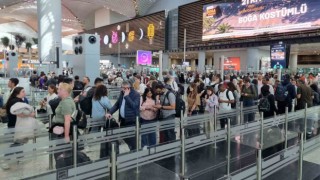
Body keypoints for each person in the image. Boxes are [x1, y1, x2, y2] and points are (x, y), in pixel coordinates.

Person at [106, 81, 140, 150]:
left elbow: (134, 106)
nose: (123, 90)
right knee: (124, 136)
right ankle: (131, 147)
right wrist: (110, 112)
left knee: (132, 139)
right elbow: (117, 105)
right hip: (123, 120)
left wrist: (127, 97)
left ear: (129, 88)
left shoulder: (136, 94)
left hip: (131, 121)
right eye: (122, 88)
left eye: (125, 88)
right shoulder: (122, 93)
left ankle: (134, 152)